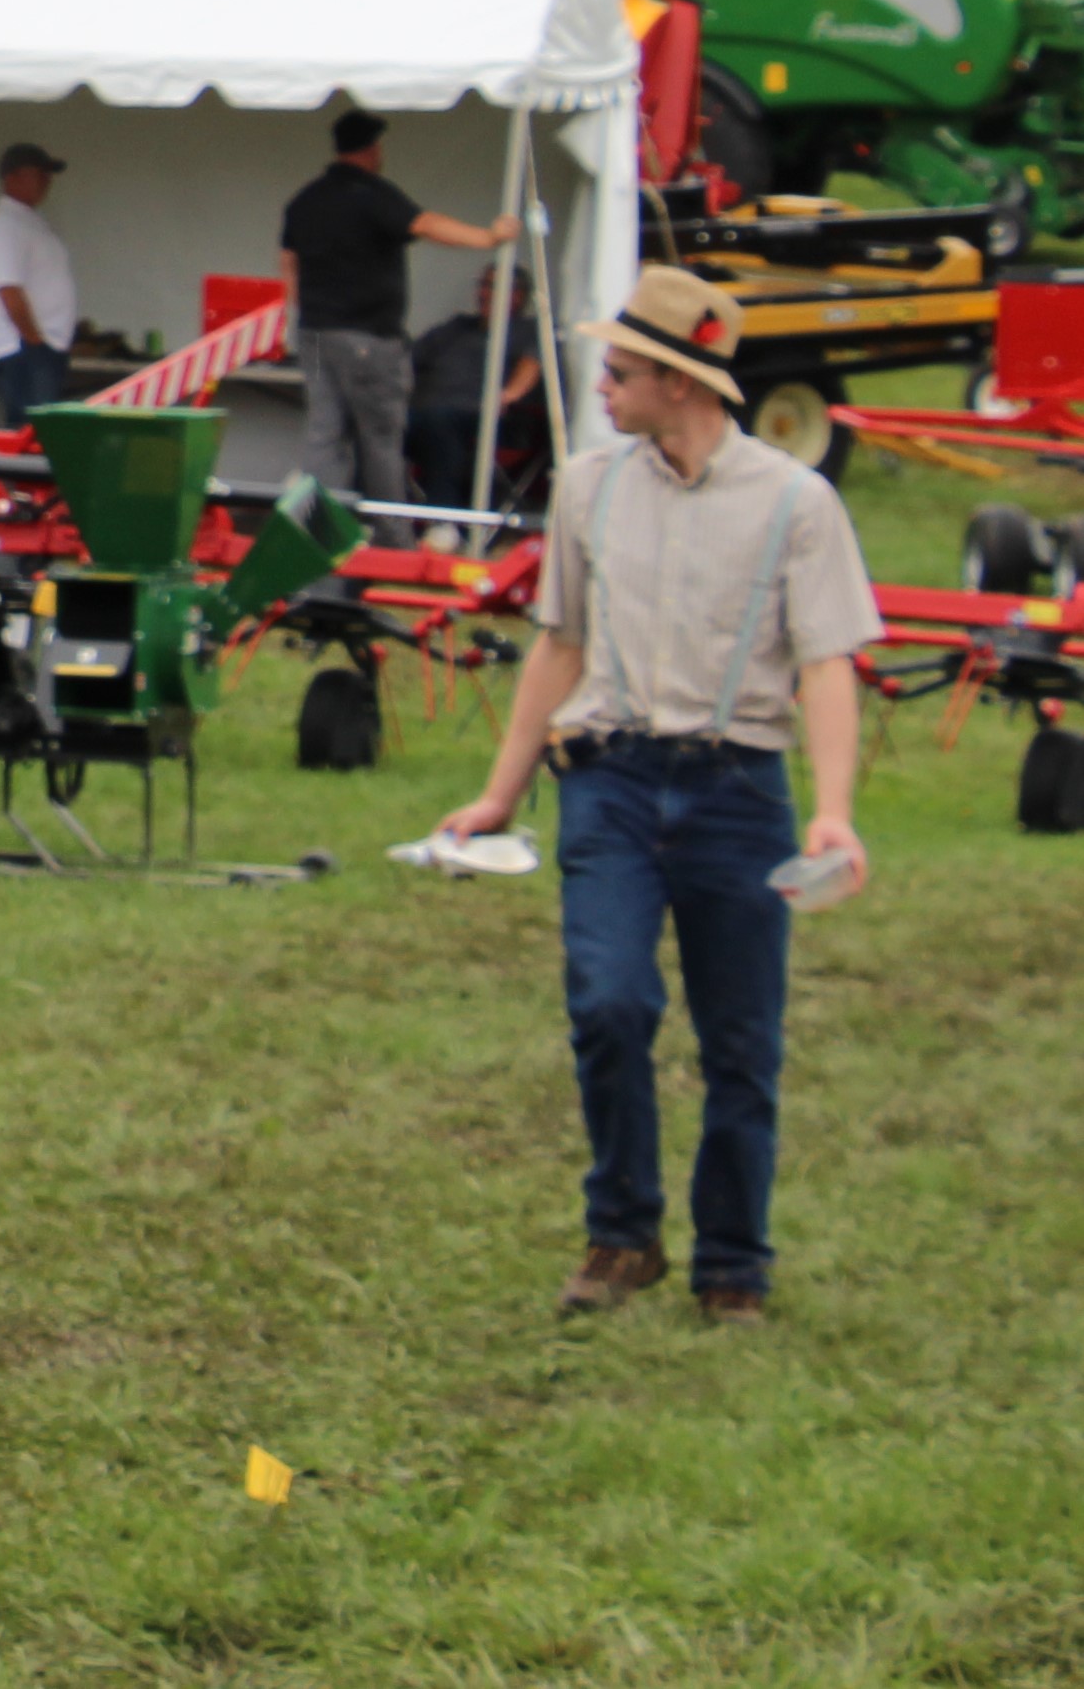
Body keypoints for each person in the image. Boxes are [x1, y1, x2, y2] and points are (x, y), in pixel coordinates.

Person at [436, 264, 875, 1325]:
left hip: (737, 791)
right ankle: (621, 1232)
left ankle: (734, 1264)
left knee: (740, 1041)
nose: (604, 387)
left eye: (621, 371)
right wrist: (497, 794)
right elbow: (558, 644)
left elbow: (826, 662)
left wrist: (831, 809)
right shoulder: (587, 485)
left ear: (680, 383)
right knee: (609, 1001)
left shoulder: (794, 502)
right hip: (610, 783)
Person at [281, 111, 514, 504]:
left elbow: (288, 263)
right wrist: (488, 237)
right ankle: (391, 537)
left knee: (325, 434)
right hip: (367, 340)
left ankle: (321, 534)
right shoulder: (371, 194)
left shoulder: (305, 200)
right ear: (373, 148)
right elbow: (424, 224)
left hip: (315, 335)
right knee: (381, 441)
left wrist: (300, 313)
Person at [405, 267, 551, 505]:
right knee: (376, 420)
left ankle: (444, 519)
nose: (485, 293)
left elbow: (531, 365)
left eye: (494, 287)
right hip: (424, 413)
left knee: (438, 421)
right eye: (483, 285)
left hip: (490, 419)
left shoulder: (530, 330)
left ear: (518, 295)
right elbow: (409, 360)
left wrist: (509, 395)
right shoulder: (457, 327)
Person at [0, 142, 80, 424]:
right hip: (22, 348)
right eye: (40, 174)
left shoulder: (29, 221)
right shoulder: (4, 225)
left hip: (40, 346)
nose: (47, 182)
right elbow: (8, 289)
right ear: (13, 177)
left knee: (41, 433)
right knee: (32, 433)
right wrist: (34, 340)